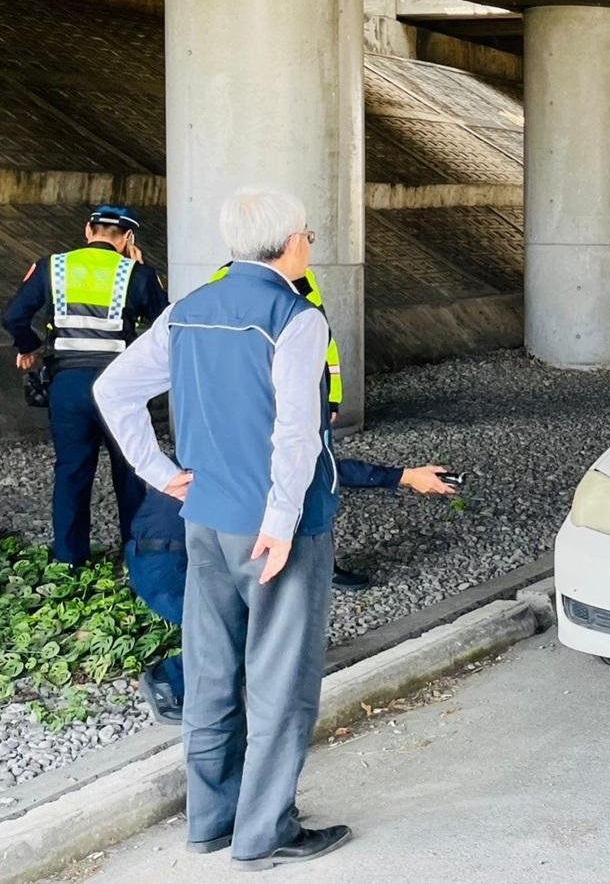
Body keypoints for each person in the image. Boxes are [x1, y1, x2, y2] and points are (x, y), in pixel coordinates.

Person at [94, 186, 350, 869]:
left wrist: (157, 468)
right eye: (309, 234)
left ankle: (210, 820)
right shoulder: (296, 318)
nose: (310, 244)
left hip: (203, 517)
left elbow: (112, 388)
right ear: (291, 241)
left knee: (211, 670)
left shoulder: (187, 310)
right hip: (279, 529)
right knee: (280, 680)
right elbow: (296, 435)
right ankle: (266, 832)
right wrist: (280, 521)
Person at [130, 459, 458, 724]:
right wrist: (405, 476)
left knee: (245, 624)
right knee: (233, 631)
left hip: (172, 551)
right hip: (166, 563)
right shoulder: (252, 441)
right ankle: (167, 681)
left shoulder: (215, 434)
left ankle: (223, 681)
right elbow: (323, 470)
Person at [2, 205, 169, 566]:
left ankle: (69, 560)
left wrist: (29, 347)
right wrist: (139, 270)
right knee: (129, 470)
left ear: (87, 230)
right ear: (127, 239)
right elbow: (165, 328)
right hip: (119, 388)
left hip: (68, 385)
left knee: (71, 472)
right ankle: (136, 556)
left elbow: (14, 316)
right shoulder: (137, 274)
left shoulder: (53, 266)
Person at [210, 263, 367, 589]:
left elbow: (324, 340)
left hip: (296, 396)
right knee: (265, 478)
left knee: (312, 479)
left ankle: (321, 564)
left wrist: (331, 395)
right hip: (254, 401)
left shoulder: (301, 277)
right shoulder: (224, 280)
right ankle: (260, 560)